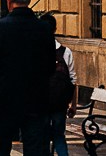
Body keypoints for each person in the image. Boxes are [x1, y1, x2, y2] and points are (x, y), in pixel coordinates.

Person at [0, 0, 55, 156]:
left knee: (2, 148)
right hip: (36, 100)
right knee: (36, 148)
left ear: (8, 1)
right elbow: (50, 65)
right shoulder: (44, 29)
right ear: (29, 0)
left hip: (5, 99)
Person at [39, 12, 77, 156]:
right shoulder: (65, 52)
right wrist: (73, 105)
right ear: (55, 29)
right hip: (59, 103)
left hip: (40, 103)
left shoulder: (36, 51)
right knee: (59, 137)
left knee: (42, 138)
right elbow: (73, 79)